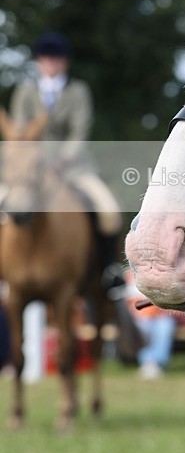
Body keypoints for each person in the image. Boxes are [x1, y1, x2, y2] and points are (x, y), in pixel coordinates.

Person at [8, 30, 125, 287]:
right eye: (47, 58)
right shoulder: (25, 92)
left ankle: (109, 270)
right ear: (39, 61)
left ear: (65, 62)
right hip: (29, 170)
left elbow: (79, 131)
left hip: (73, 167)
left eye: (57, 59)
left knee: (109, 210)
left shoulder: (78, 91)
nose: (51, 64)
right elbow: (19, 131)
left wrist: (61, 160)